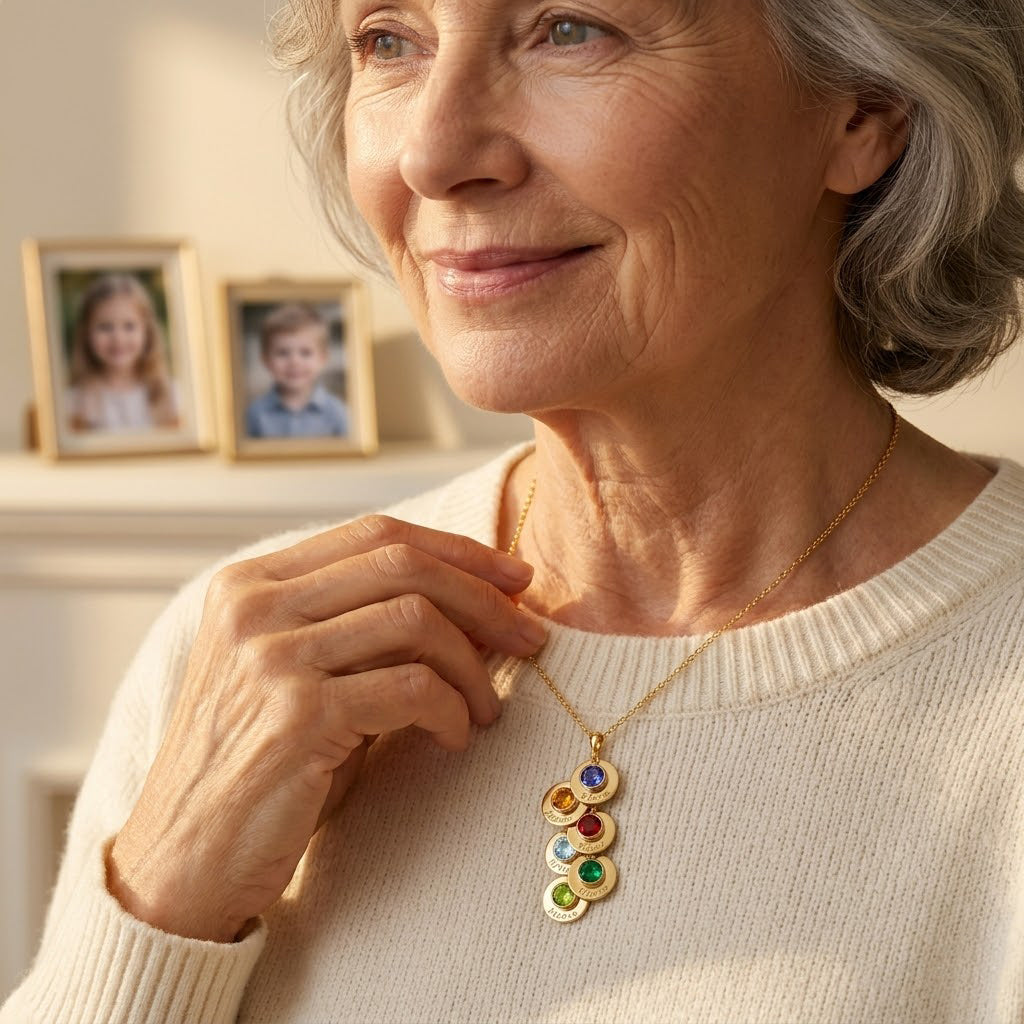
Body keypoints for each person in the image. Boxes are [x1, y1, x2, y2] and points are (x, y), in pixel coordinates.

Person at [4, 0, 1024, 1021]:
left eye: (569, 29)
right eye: (388, 41)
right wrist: (162, 900)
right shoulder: (250, 647)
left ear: (866, 111)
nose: (433, 152)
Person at [66, 273, 180, 432]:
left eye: (129, 326)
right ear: (86, 333)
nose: (118, 338)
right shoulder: (74, 402)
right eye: (105, 327)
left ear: (147, 331)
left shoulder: (172, 396)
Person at [244, 302, 349, 438]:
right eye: (282, 352)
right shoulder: (254, 414)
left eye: (305, 353)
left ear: (323, 359)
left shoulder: (338, 413)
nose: (294, 362)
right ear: (266, 359)